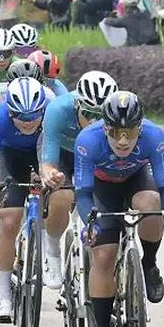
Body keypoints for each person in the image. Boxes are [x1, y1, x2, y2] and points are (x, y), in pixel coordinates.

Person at [74, 91, 164, 327]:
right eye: (115, 133)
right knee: (103, 255)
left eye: (130, 132)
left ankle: (149, 264)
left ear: (140, 127)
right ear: (105, 128)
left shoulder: (154, 136)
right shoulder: (88, 140)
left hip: (136, 180)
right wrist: (91, 224)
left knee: (152, 202)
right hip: (101, 189)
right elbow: (84, 193)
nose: (123, 140)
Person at [39, 71, 119, 289]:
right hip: (64, 153)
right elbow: (48, 159)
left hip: (94, 154)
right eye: (88, 113)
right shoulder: (57, 109)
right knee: (61, 197)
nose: (94, 121)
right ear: (76, 105)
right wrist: (49, 174)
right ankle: (53, 251)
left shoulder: (116, 114)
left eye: (100, 115)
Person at [0, 77, 50, 322]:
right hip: (11, 158)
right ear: (10, 111)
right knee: (9, 220)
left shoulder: (51, 110)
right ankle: (4, 295)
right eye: (21, 117)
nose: (28, 123)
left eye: (33, 117)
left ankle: (48, 253)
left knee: (56, 200)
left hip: (44, 153)